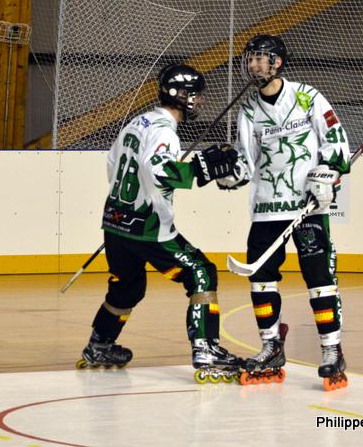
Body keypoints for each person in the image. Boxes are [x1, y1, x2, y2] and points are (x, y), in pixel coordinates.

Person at [78, 63, 244, 383]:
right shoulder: (165, 131)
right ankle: (206, 349)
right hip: (148, 227)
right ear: (181, 95)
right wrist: (201, 170)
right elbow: (158, 171)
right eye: (196, 95)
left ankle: (99, 344)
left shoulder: (136, 123)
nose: (199, 101)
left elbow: (113, 164)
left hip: (115, 223)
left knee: (127, 286)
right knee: (201, 273)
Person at [217, 34, 352, 391]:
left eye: (259, 58)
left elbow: (336, 140)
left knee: (319, 277)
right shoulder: (248, 110)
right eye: (250, 59)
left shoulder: (307, 97)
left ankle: (331, 350)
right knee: (260, 278)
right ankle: (271, 346)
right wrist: (229, 174)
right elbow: (246, 161)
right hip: (267, 208)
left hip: (307, 207)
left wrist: (329, 171)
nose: (252, 65)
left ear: (277, 63)